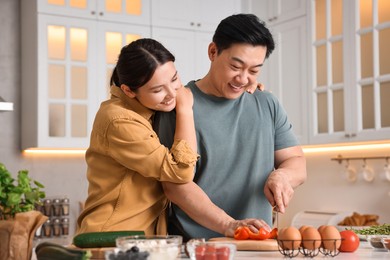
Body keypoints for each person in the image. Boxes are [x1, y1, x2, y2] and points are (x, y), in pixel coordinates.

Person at [155, 13, 307, 241]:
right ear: (213, 52)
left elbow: (296, 162)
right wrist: (230, 225)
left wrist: (282, 177)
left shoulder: (267, 102)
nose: (243, 78)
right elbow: (175, 186)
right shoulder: (179, 105)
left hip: (257, 245)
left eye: (254, 70)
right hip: (196, 248)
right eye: (236, 66)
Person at [76, 38, 199, 236]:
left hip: (141, 240)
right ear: (128, 91)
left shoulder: (151, 108)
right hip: (111, 238)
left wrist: (244, 88)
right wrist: (185, 110)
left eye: (174, 79)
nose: (172, 94)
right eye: (158, 90)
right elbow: (181, 172)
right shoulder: (119, 120)